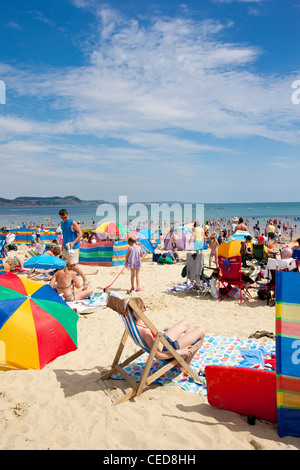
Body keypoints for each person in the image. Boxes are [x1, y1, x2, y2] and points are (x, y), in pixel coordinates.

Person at [132, 297, 205, 368]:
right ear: (142, 309)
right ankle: (184, 364)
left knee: (185, 324)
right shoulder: (144, 331)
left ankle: (182, 355)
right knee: (201, 331)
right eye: (144, 307)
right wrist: (179, 352)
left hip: (163, 342)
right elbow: (158, 355)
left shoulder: (134, 325)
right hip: (168, 350)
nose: (145, 308)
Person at [58, 209, 89, 288]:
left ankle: (85, 279)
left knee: (73, 265)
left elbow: (80, 234)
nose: (64, 219)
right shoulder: (62, 224)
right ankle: (70, 282)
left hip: (73, 247)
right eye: (62, 218)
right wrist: (62, 247)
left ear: (67, 214)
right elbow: (65, 236)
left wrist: (73, 242)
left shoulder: (73, 222)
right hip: (65, 247)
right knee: (65, 265)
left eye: (65, 217)